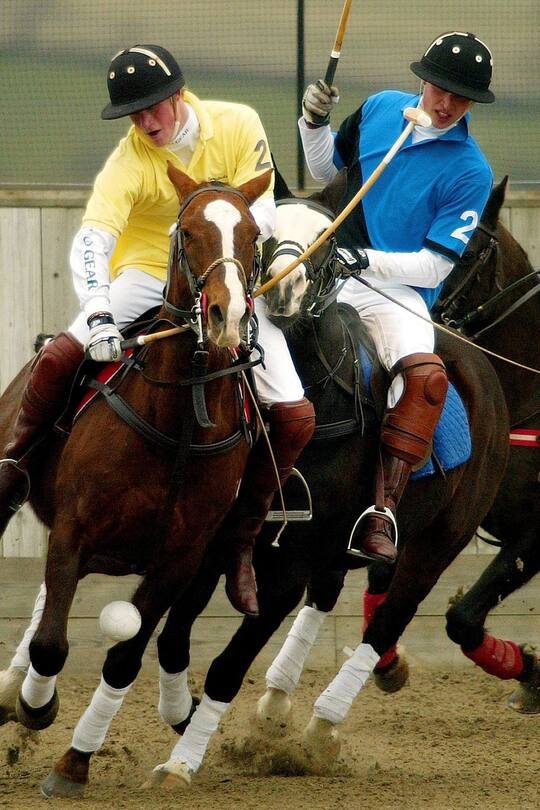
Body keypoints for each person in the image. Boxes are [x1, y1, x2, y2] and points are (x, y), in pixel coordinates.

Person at [0, 44, 315, 615]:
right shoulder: (129, 162)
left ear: (178, 96)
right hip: (149, 275)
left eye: (153, 108)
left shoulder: (239, 122)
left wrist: (230, 250)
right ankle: (13, 465)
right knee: (58, 356)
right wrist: (97, 310)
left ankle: (242, 542)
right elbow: (94, 238)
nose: (146, 123)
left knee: (295, 412)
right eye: (134, 115)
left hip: (230, 277)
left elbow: (264, 199)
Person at [299, 31, 495, 563]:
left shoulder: (470, 171)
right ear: (423, 81)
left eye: (462, 97)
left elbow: (435, 263)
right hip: (327, 275)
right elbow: (322, 170)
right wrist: (313, 124)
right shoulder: (382, 108)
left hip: (398, 292)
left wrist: (364, 261)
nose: (448, 104)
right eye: (441, 89)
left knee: (426, 377)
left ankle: (381, 509)